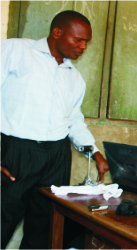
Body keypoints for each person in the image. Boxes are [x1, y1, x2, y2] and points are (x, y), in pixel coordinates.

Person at [1, 11, 109, 249]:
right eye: (78, 40)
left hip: (56, 157)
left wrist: (95, 152)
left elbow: (73, 120)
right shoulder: (14, 51)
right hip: (15, 151)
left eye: (86, 42)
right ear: (57, 32)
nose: (83, 47)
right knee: (3, 219)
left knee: (45, 228)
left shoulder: (75, 78)